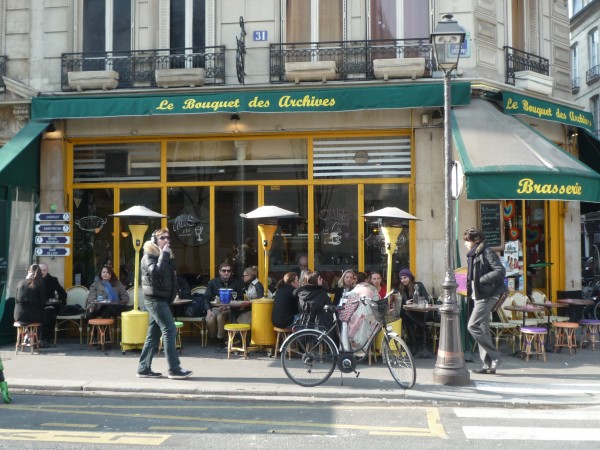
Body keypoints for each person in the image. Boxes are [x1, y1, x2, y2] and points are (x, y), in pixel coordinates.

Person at [137, 228, 192, 380]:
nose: (167, 241)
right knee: (170, 329)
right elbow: (156, 273)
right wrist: (164, 255)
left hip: (162, 299)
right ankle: (174, 369)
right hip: (155, 299)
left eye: (168, 238)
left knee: (153, 335)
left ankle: (143, 368)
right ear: (154, 240)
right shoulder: (149, 256)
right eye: (163, 238)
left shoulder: (165, 256)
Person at [464, 227, 507, 375]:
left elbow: (500, 271)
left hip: (488, 295)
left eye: (467, 241)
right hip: (479, 295)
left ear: (475, 241)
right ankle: (488, 365)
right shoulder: (473, 255)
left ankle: (496, 356)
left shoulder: (486, 252)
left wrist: (482, 279)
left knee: (472, 326)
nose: (465, 244)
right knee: (482, 329)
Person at [14, 264, 57, 347]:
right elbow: (41, 304)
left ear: (29, 272)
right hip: (32, 316)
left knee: (36, 314)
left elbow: (16, 300)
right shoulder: (39, 284)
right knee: (49, 313)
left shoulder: (20, 283)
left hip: (18, 316)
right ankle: (41, 339)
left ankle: (28, 334)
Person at [203, 262, 244, 342]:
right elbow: (206, 298)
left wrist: (229, 306)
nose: (226, 273)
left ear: (231, 272)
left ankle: (220, 339)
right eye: (224, 270)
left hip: (231, 309)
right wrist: (208, 310)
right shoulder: (213, 282)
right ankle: (213, 338)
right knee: (210, 319)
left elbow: (240, 298)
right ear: (219, 272)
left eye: (228, 271)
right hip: (216, 308)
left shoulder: (236, 283)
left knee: (220, 317)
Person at [397, 268, 430, 353]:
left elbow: (426, 299)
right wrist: (405, 302)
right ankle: (415, 345)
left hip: (420, 312)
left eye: (405, 277)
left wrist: (416, 301)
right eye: (401, 278)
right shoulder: (401, 288)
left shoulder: (418, 285)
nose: (403, 280)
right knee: (407, 318)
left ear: (410, 277)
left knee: (408, 319)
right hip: (408, 313)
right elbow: (399, 302)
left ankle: (414, 346)